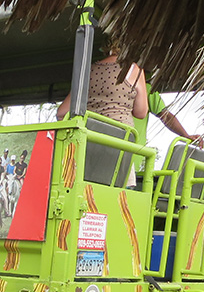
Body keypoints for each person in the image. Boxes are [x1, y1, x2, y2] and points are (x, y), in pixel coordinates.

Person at [57, 40, 148, 187]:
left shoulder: (88, 71)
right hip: (119, 145)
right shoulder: (134, 70)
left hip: (89, 143)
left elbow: (62, 112)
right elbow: (141, 112)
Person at [135, 83, 203, 146]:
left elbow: (166, 116)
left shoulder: (143, 87)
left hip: (134, 149)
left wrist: (186, 136)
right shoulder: (142, 86)